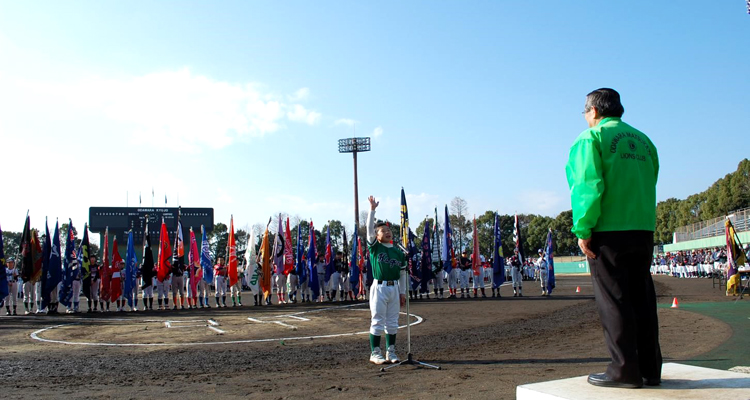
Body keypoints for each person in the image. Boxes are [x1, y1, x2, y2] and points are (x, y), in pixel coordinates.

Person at [566, 88, 661, 389]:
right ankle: (649, 369)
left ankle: (623, 370)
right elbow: (652, 178)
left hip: (608, 231)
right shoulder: (645, 141)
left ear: (593, 110)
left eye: (584, 112)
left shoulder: (590, 139)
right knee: (642, 298)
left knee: (614, 300)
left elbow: (586, 186)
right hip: (642, 228)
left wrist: (583, 230)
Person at [366, 195, 407, 365]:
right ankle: (375, 353)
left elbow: (403, 274)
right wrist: (372, 210)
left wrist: (403, 292)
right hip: (379, 287)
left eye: (389, 230)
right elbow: (369, 229)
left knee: (392, 321)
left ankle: (391, 351)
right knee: (377, 320)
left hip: (394, 288)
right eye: (383, 231)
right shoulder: (375, 248)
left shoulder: (398, 252)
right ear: (377, 235)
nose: (387, 232)